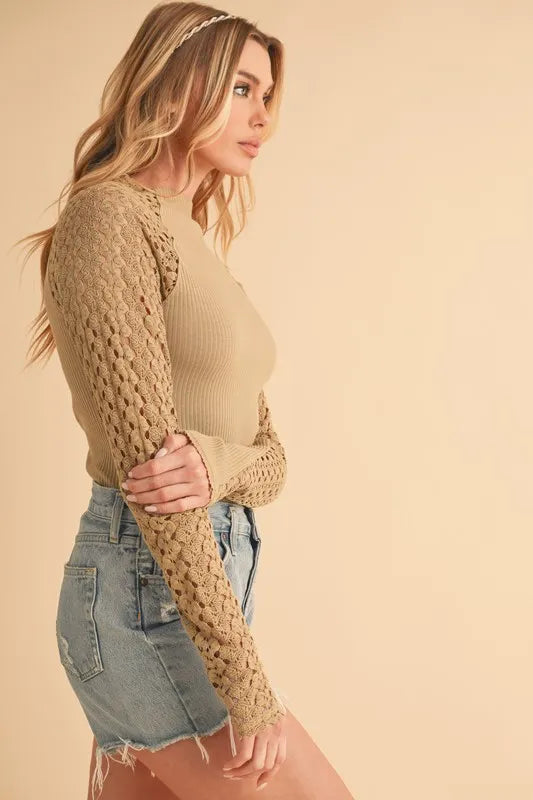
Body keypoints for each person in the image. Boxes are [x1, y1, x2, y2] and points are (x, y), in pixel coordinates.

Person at [17, 3, 355, 799]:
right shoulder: (109, 219)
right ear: (175, 86)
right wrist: (246, 686)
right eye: (240, 89)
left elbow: (267, 461)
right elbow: (155, 485)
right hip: (148, 596)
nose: (262, 116)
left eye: (266, 95)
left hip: (183, 591)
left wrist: (214, 461)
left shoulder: (190, 234)